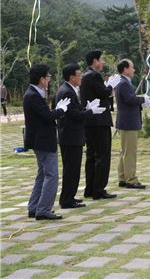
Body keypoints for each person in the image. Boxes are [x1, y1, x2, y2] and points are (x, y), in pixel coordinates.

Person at [24, 64, 70, 220]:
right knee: (51, 176)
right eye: (48, 77)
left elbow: (45, 114)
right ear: (41, 79)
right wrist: (61, 110)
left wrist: (56, 110)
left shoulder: (35, 93)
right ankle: (43, 209)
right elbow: (47, 116)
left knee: (42, 175)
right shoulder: (32, 95)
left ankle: (34, 207)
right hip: (43, 140)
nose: (49, 80)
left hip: (41, 140)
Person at [56, 64, 105, 209]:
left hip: (72, 136)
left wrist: (87, 108)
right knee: (71, 169)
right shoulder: (67, 92)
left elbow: (76, 110)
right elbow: (74, 115)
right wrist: (90, 112)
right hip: (70, 136)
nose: (81, 78)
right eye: (79, 75)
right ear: (72, 77)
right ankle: (66, 199)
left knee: (73, 169)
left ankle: (69, 196)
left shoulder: (69, 90)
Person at [80, 50, 121, 200]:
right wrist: (110, 86)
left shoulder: (84, 76)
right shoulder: (94, 75)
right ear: (95, 61)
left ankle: (90, 188)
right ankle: (99, 188)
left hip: (89, 121)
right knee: (102, 155)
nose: (103, 62)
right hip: (99, 120)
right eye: (101, 60)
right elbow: (103, 93)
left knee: (91, 155)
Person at [115, 59, 150, 189]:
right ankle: (131, 178)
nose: (133, 70)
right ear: (125, 69)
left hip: (125, 121)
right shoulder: (123, 83)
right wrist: (143, 99)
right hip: (128, 122)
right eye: (132, 67)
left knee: (124, 151)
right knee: (130, 151)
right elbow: (130, 99)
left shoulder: (124, 83)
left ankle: (123, 176)